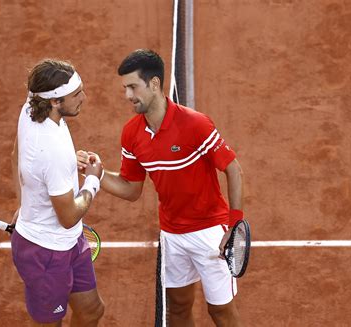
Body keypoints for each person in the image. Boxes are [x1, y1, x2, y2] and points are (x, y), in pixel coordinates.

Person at [77, 49, 244, 326]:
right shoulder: (132, 133)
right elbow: (131, 188)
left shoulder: (196, 124)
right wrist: (97, 173)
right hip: (172, 234)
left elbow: (233, 169)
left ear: (154, 84)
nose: (128, 96)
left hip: (209, 234)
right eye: (125, 88)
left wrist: (234, 223)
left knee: (221, 313)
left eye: (133, 87)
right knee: (177, 308)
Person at [10, 59, 105, 326]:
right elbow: (68, 217)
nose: (84, 98)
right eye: (76, 95)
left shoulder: (30, 108)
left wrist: (23, 204)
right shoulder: (52, 152)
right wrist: (92, 182)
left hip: (69, 243)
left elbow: (17, 156)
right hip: (45, 253)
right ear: (53, 101)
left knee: (92, 311)